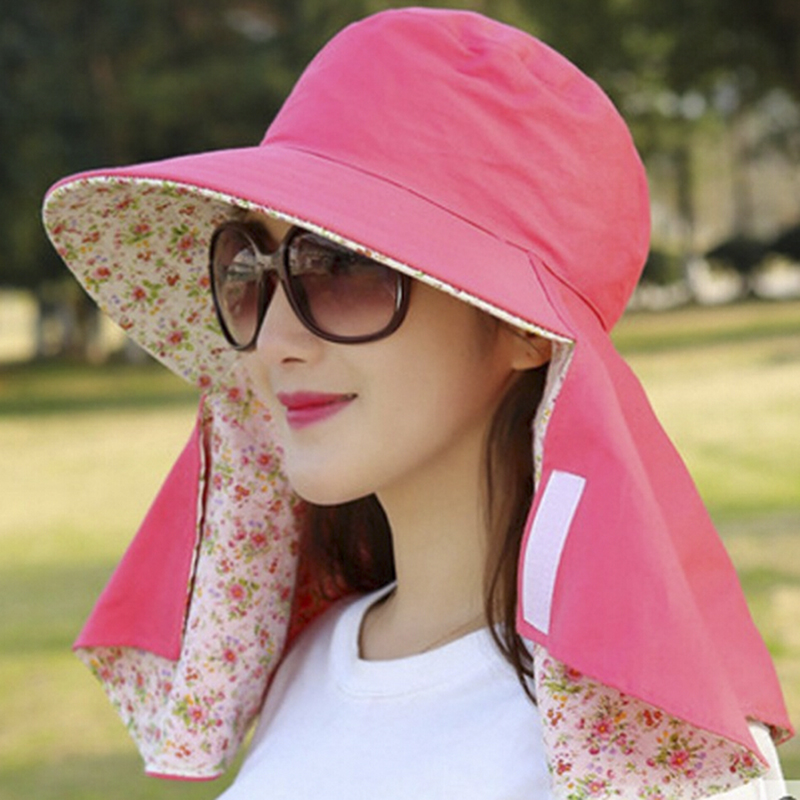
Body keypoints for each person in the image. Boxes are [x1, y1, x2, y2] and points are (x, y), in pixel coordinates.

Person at [42, 7, 792, 799]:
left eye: (340, 266)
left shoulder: (643, 757)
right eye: (252, 267)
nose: (273, 341)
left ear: (525, 329)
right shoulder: (310, 668)